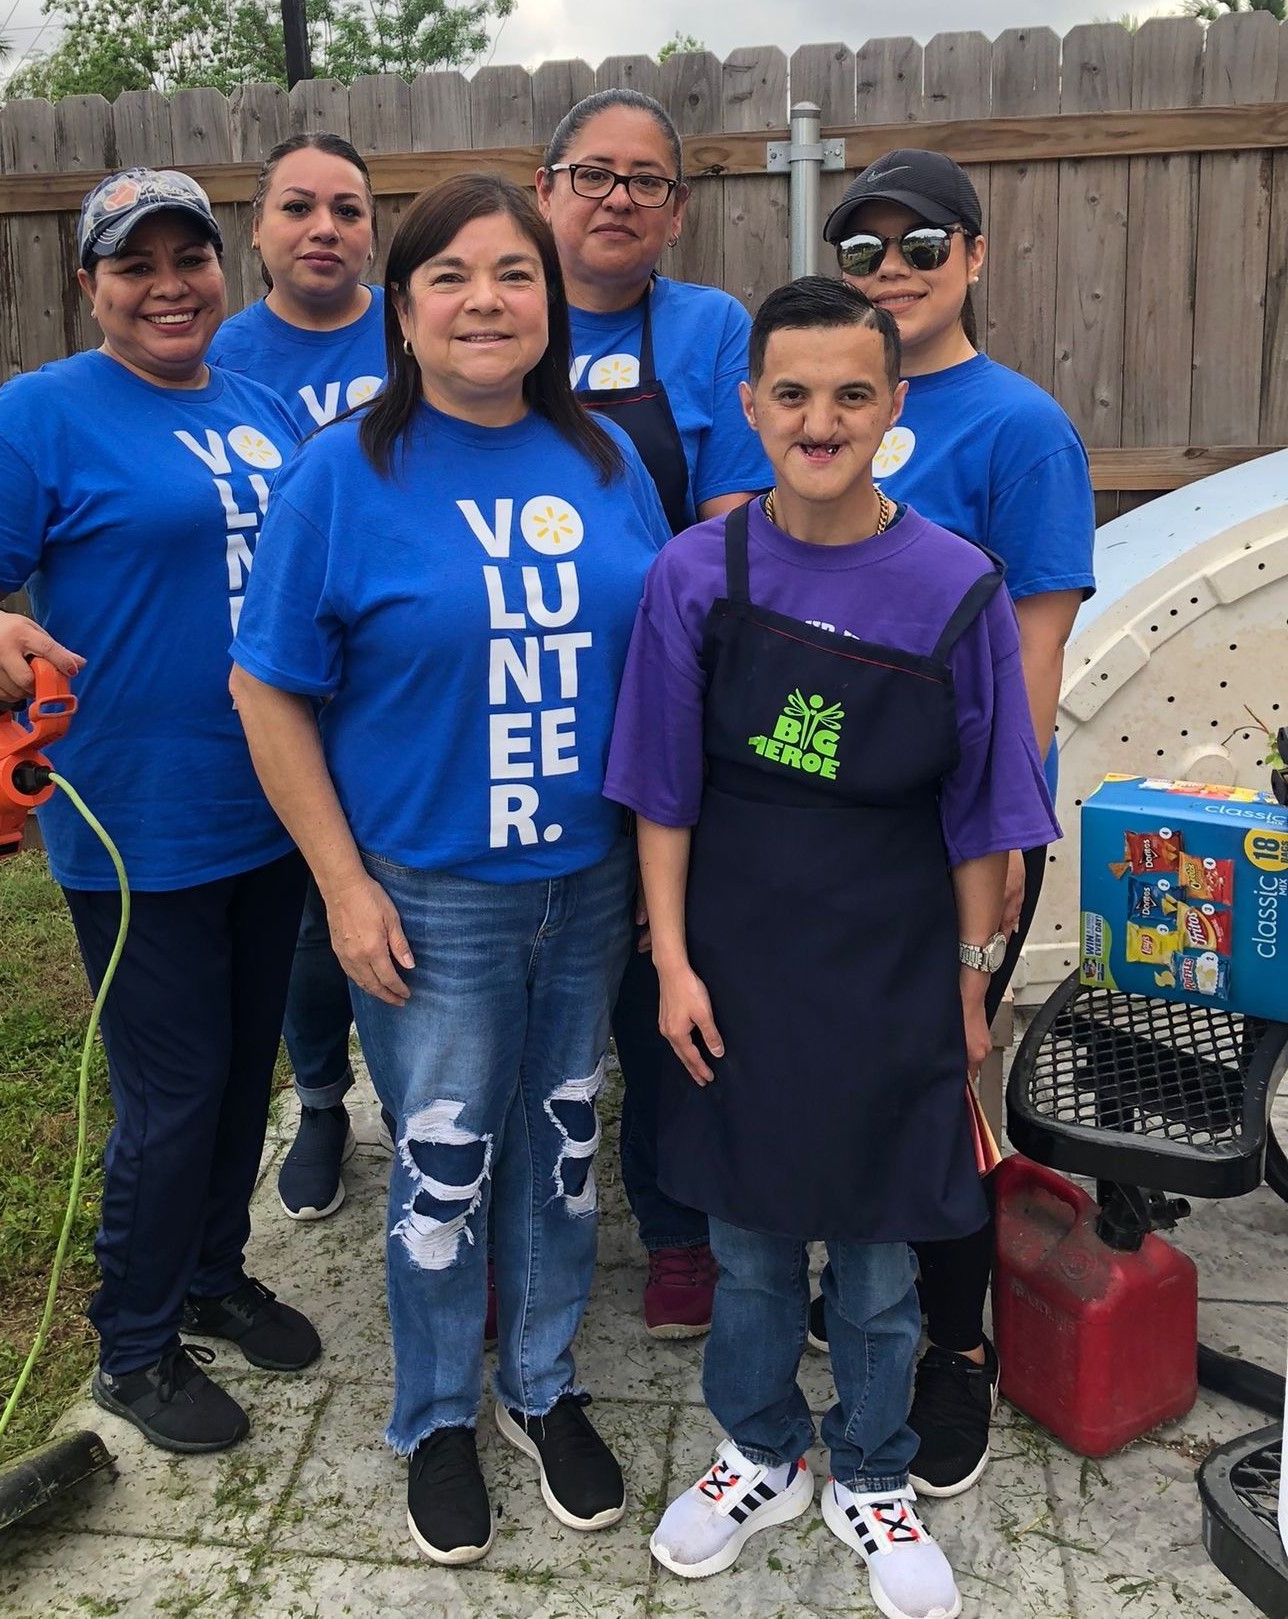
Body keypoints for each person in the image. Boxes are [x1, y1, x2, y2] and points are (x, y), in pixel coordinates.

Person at [228, 174, 670, 1566]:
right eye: (451, 278)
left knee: (562, 1149)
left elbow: (659, 674)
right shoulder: (341, 476)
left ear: (548, 301)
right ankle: (432, 1413)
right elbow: (267, 689)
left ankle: (541, 1382)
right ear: (402, 312)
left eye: (514, 274)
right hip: (428, 893)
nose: (488, 299)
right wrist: (344, 885)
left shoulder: (607, 461)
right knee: (442, 1167)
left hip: (585, 877)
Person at [605, 277, 1058, 1618]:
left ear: (892, 409)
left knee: (872, 1256)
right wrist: (674, 963)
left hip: (895, 963)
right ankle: (759, 1445)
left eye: (851, 393)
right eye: (792, 394)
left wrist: (977, 986)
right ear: (750, 407)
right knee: (748, 1248)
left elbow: (990, 817)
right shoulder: (701, 571)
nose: (821, 418)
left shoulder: (957, 585)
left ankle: (870, 1467)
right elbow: (662, 787)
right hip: (738, 961)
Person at [0, 168, 319, 1456]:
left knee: (247, 1067)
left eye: (186, 257)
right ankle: (133, 1345)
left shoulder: (263, 409)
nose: (167, 286)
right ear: (91, 284)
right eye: (133, 264)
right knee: (174, 1089)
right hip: (139, 816)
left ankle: (212, 1273)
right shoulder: (41, 415)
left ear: (219, 268)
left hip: (275, 803)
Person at [817, 148, 1096, 1498]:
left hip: (956, 821)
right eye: (861, 250)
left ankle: (955, 1347)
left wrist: (989, 843)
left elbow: (1035, 659)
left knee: (943, 1079)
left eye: (920, 242)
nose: (892, 271)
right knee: (851, 1063)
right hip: (825, 818)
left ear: (975, 256)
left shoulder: (1020, 426)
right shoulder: (824, 402)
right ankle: (869, 1282)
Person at [537, 88, 770, 1339]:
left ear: (677, 210)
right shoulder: (502, 312)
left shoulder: (712, 326)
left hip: (682, 693)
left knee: (665, 960)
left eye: (644, 180)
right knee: (544, 971)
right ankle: (517, 1220)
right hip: (534, 693)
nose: (617, 196)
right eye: (593, 173)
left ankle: (677, 1221)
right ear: (546, 191)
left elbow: (735, 515)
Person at [209, 132, 388, 1221]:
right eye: (298, 207)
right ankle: (322, 1099)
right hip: (288, 679)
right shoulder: (220, 356)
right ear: (260, 232)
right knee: (316, 919)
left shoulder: (418, 329)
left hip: (412, 675)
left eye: (349, 208)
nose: (325, 227)